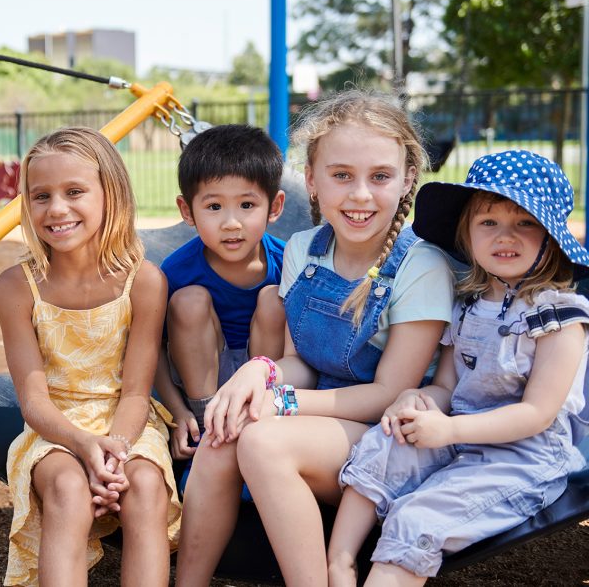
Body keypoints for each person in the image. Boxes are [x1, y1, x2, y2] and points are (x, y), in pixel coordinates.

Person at [175, 89, 456, 586]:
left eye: (380, 177)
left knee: (263, 442)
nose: (360, 195)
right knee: (223, 435)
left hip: (393, 440)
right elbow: (299, 359)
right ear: (311, 180)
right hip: (326, 420)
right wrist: (260, 373)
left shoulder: (420, 267)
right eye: (342, 175)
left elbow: (388, 396)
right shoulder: (305, 249)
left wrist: (281, 402)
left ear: (408, 178)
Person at [327, 150, 589, 586]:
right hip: (461, 435)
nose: (506, 236)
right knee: (385, 444)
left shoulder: (559, 317)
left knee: (418, 517)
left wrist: (448, 431)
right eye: (489, 223)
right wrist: (422, 399)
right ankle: (339, 560)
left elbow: (537, 414)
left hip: (525, 458)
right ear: (467, 234)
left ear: (551, 235)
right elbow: (448, 384)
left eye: (525, 222)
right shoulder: (467, 305)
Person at [0, 126, 180, 586]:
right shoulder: (18, 286)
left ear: (110, 194)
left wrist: (114, 452)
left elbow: (138, 392)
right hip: (55, 424)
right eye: (41, 196)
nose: (57, 209)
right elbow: (33, 401)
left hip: (127, 421)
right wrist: (82, 445)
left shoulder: (143, 282)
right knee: (67, 488)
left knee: (145, 487)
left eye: (74, 191)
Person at [154, 124, 287, 472]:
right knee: (189, 301)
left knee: (275, 299)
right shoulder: (177, 270)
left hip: (263, 377)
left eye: (246, 204)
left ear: (274, 207)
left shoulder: (288, 264)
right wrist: (178, 413)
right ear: (187, 211)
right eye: (214, 206)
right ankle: (207, 427)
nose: (231, 223)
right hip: (202, 372)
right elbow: (151, 350)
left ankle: (259, 418)